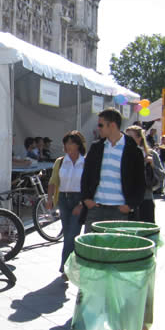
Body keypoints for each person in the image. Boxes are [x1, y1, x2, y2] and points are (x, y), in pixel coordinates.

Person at [80, 108, 145, 233]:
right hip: (96, 208)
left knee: (117, 250)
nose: (98, 128)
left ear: (113, 125)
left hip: (119, 211)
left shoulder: (133, 150)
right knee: (90, 249)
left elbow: (140, 182)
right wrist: (86, 199)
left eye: (101, 125)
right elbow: (86, 176)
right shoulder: (96, 147)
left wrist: (130, 205)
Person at [46, 131, 86, 275]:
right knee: (68, 233)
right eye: (66, 143)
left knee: (72, 234)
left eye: (71, 142)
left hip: (79, 200)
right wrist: (49, 199)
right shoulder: (61, 161)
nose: (68, 146)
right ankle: (72, 265)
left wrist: (82, 204)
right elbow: (53, 181)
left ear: (78, 145)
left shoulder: (85, 161)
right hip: (63, 198)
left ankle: (65, 267)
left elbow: (89, 185)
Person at [125, 125, 165, 223]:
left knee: (147, 230)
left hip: (146, 198)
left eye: (130, 137)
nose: (126, 140)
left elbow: (162, 175)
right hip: (127, 200)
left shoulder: (150, 154)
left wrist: (152, 165)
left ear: (139, 138)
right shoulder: (124, 153)